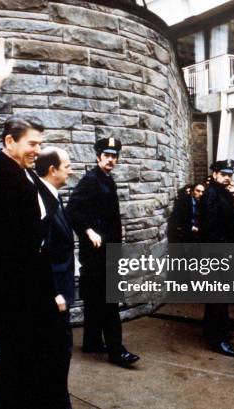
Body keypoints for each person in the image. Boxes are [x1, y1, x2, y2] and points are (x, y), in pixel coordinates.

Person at [0, 34, 62, 409]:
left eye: (40, 144)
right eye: (32, 144)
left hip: (34, 285)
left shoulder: (28, 174)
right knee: (17, 363)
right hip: (9, 287)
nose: (37, 151)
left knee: (33, 360)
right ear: (9, 141)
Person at [66, 137, 140, 368]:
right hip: (98, 252)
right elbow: (72, 209)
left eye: (114, 156)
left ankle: (92, 342)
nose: (111, 160)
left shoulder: (107, 179)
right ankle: (117, 352)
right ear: (98, 156)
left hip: (108, 250)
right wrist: (88, 230)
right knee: (109, 302)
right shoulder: (90, 180)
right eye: (107, 155)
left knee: (97, 299)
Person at [34, 147, 76, 409]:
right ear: (52, 170)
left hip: (60, 285)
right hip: (52, 292)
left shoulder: (52, 196)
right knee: (58, 350)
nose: (70, 170)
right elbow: (39, 253)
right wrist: (53, 292)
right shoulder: (40, 200)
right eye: (67, 165)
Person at [199, 159, 234, 357]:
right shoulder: (211, 195)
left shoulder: (222, 192)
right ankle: (218, 339)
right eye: (224, 174)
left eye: (230, 175)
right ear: (215, 174)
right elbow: (210, 228)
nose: (227, 178)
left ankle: (212, 331)